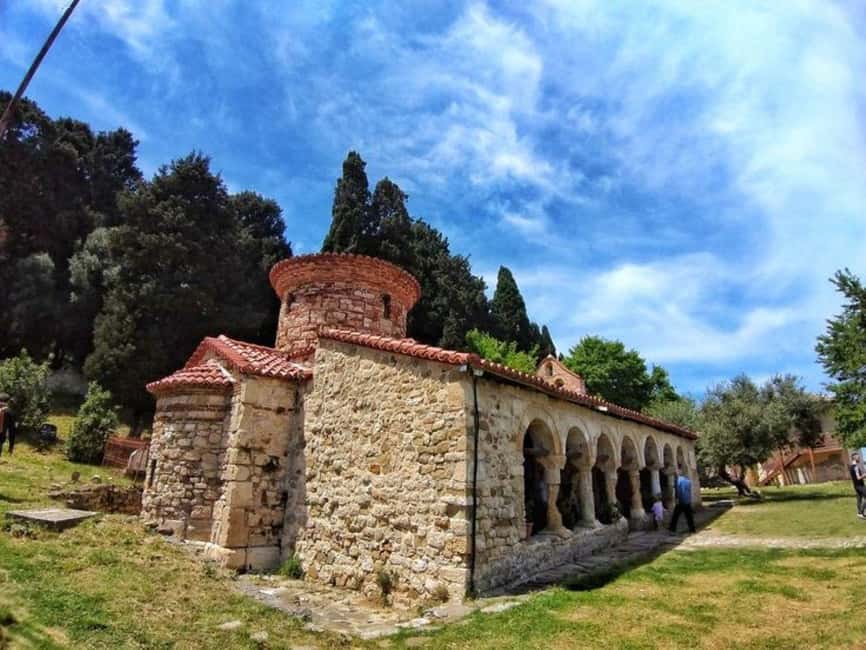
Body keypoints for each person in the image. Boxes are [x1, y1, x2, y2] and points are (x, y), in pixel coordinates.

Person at [669, 467, 695, 534]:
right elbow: (689, 491)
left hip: (681, 501)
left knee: (675, 516)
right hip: (687, 501)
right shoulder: (688, 481)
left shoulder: (678, 481)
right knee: (689, 516)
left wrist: (677, 499)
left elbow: (679, 491)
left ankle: (672, 530)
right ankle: (692, 529)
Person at [849, 452, 866, 519]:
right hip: (860, 486)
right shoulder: (855, 467)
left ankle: (859, 513)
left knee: (859, 499)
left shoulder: (851, 467)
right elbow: (858, 478)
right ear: (854, 458)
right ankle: (860, 513)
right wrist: (864, 475)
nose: (859, 458)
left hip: (856, 486)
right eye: (858, 457)